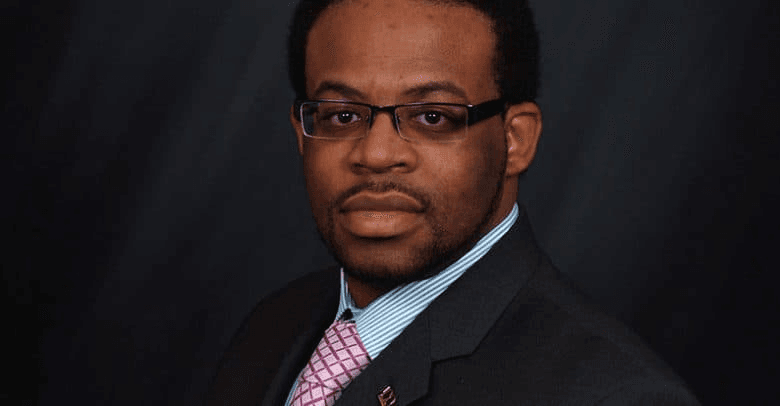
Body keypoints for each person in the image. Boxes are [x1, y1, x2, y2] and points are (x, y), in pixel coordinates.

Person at [208, 0, 701, 405]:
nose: (376, 155)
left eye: (433, 118)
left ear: (515, 141)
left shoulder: (615, 396)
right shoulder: (273, 330)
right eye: (341, 116)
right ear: (302, 135)